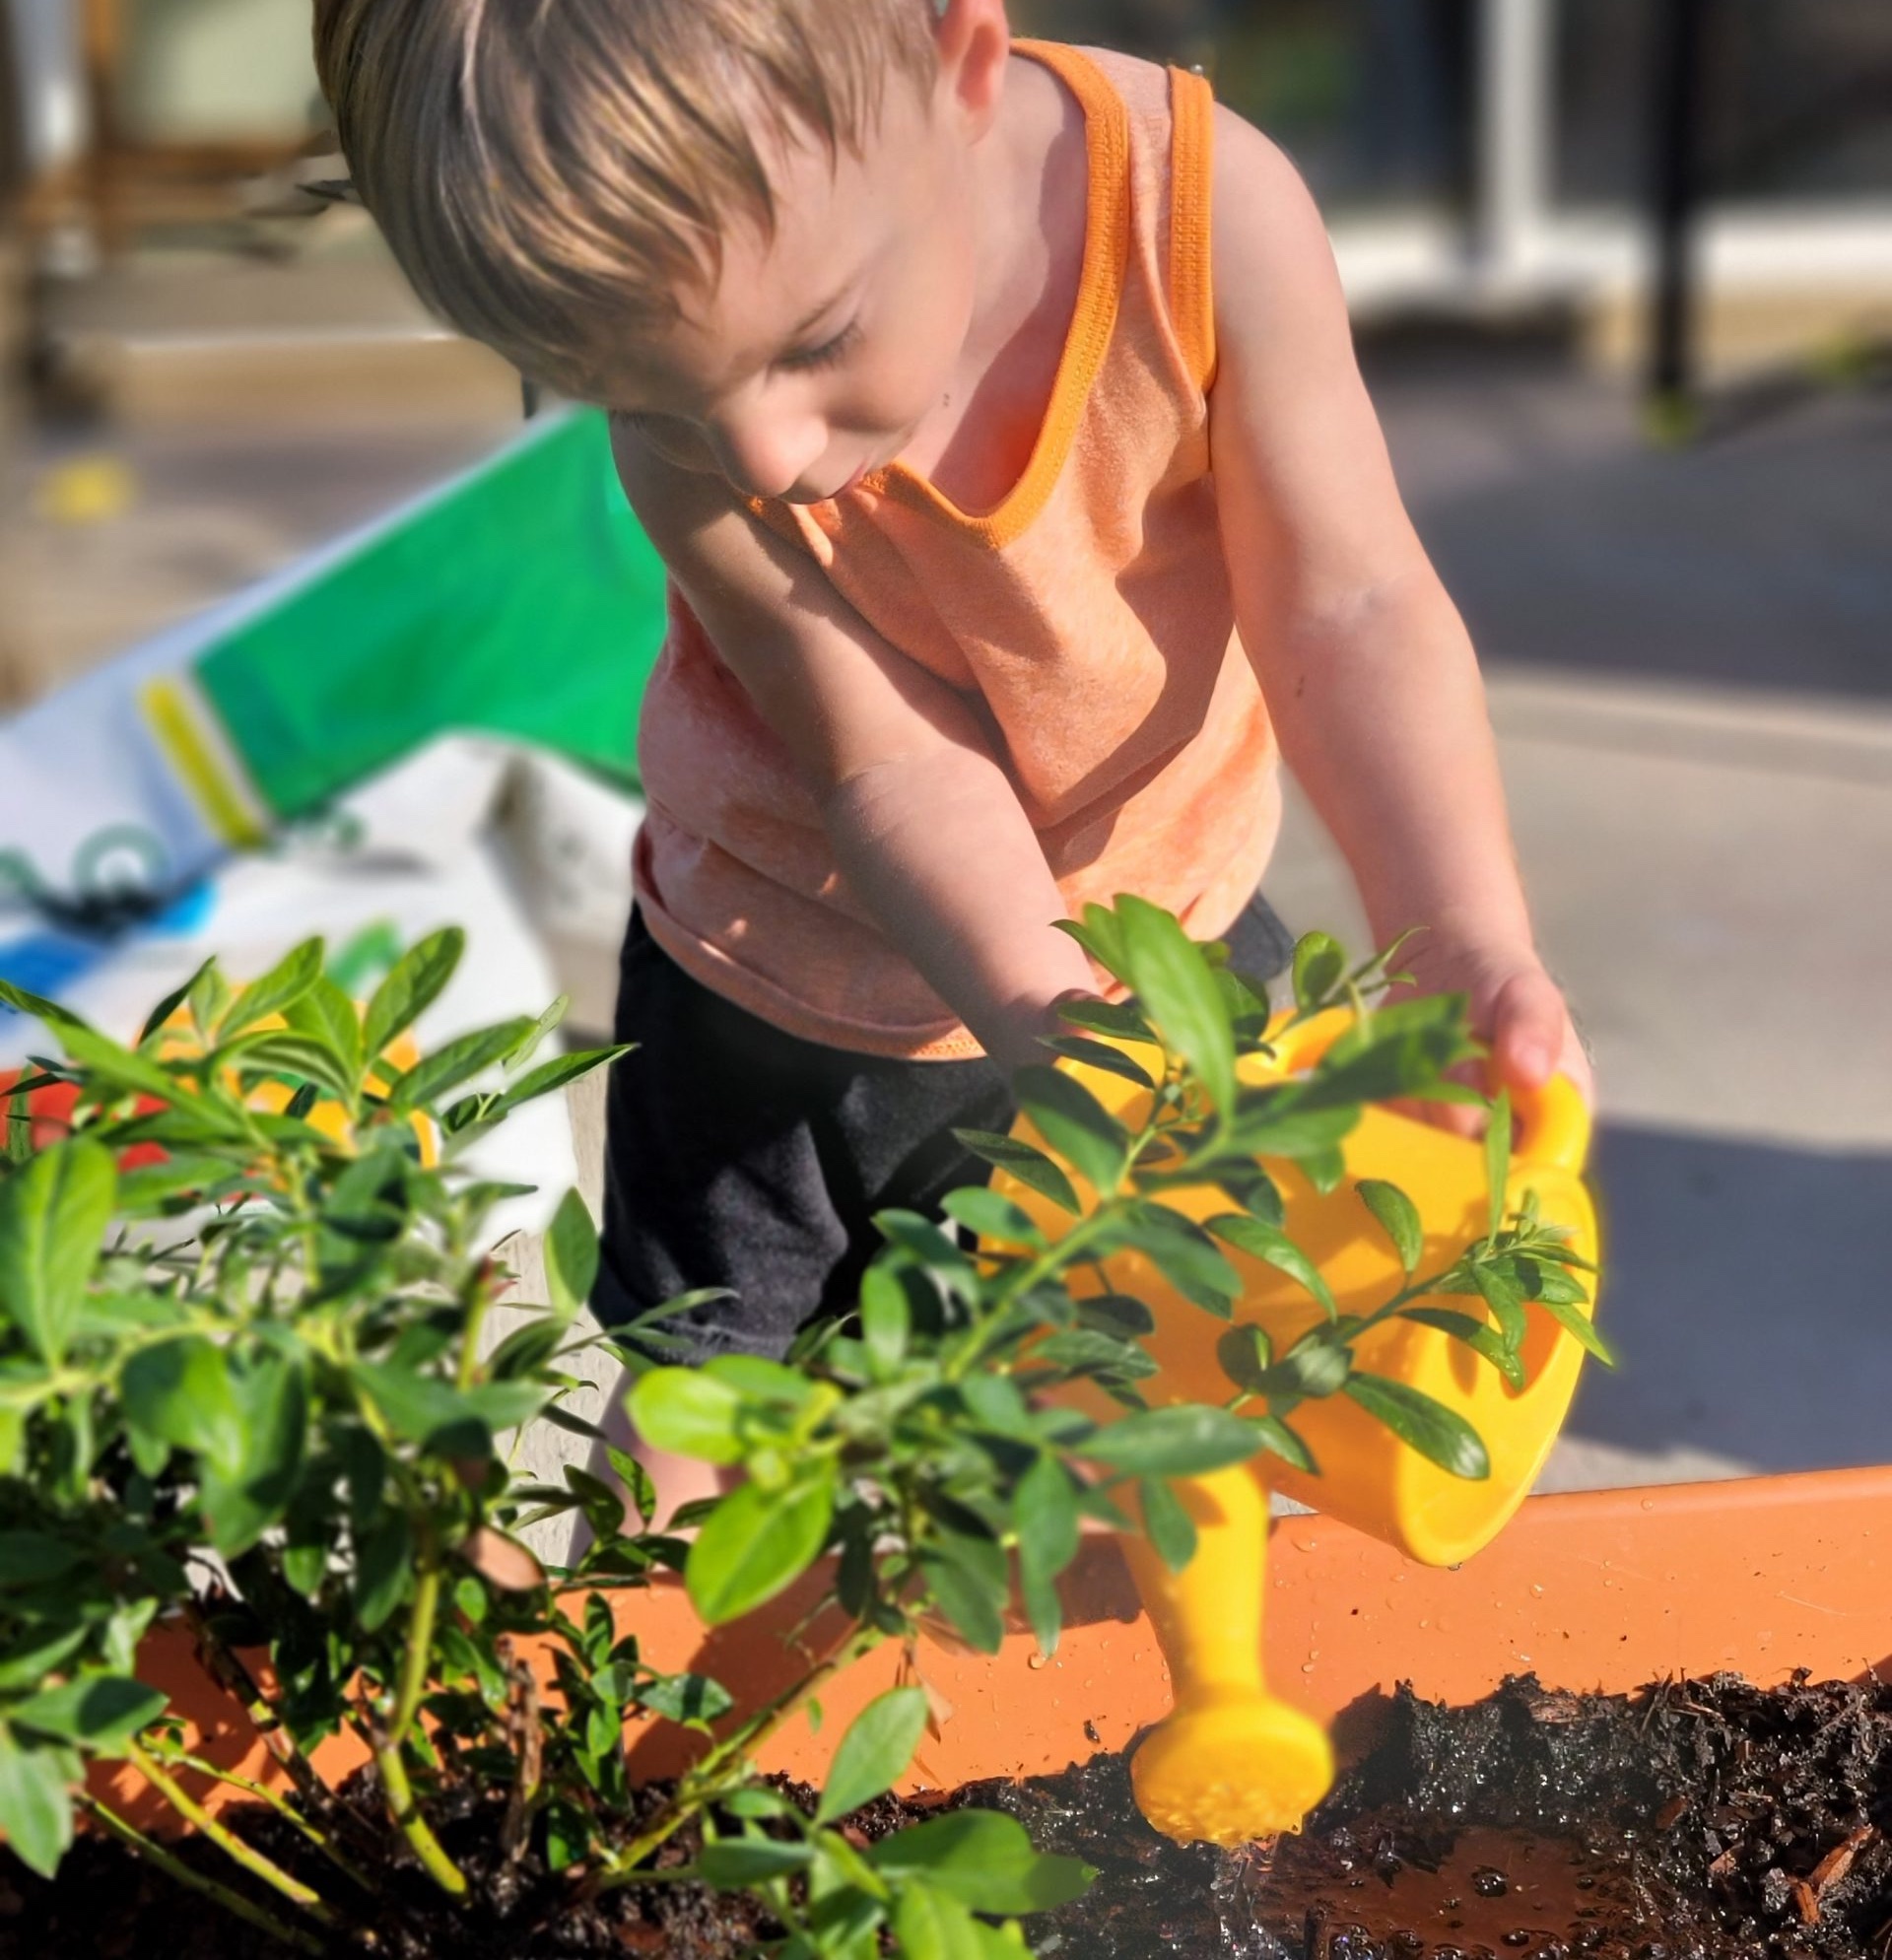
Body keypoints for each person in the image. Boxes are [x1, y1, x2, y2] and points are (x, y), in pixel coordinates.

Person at [313, 0, 1590, 1495]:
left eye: (818, 340)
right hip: (769, 998)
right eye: (653, 400)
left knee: (1203, 1404)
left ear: (959, 62)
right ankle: (649, 1708)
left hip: (1160, 937)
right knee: (690, 1435)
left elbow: (1351, 602)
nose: (762, 459)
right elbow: (889, 761)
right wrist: (1065, 1024)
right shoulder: (708, 408)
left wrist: (1455, 932)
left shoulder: (1209, 221)